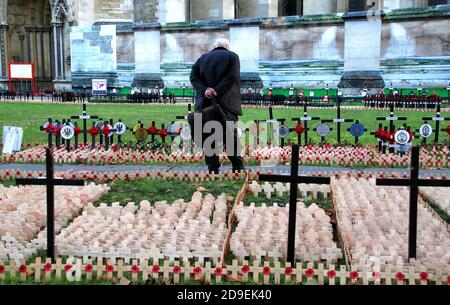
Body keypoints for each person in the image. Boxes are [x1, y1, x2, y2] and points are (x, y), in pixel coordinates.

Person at [190, 38, 245, 174]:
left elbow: (193, 77)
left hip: (205, 104)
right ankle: (237, 166)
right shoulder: (232, 56)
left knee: (208, 136)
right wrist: (216, 90)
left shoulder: (202, 59)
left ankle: (213, 167)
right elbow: (232, 77)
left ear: (214, 46)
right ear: (227, 46)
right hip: (226, 103)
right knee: (230, 135)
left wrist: (205, 90)